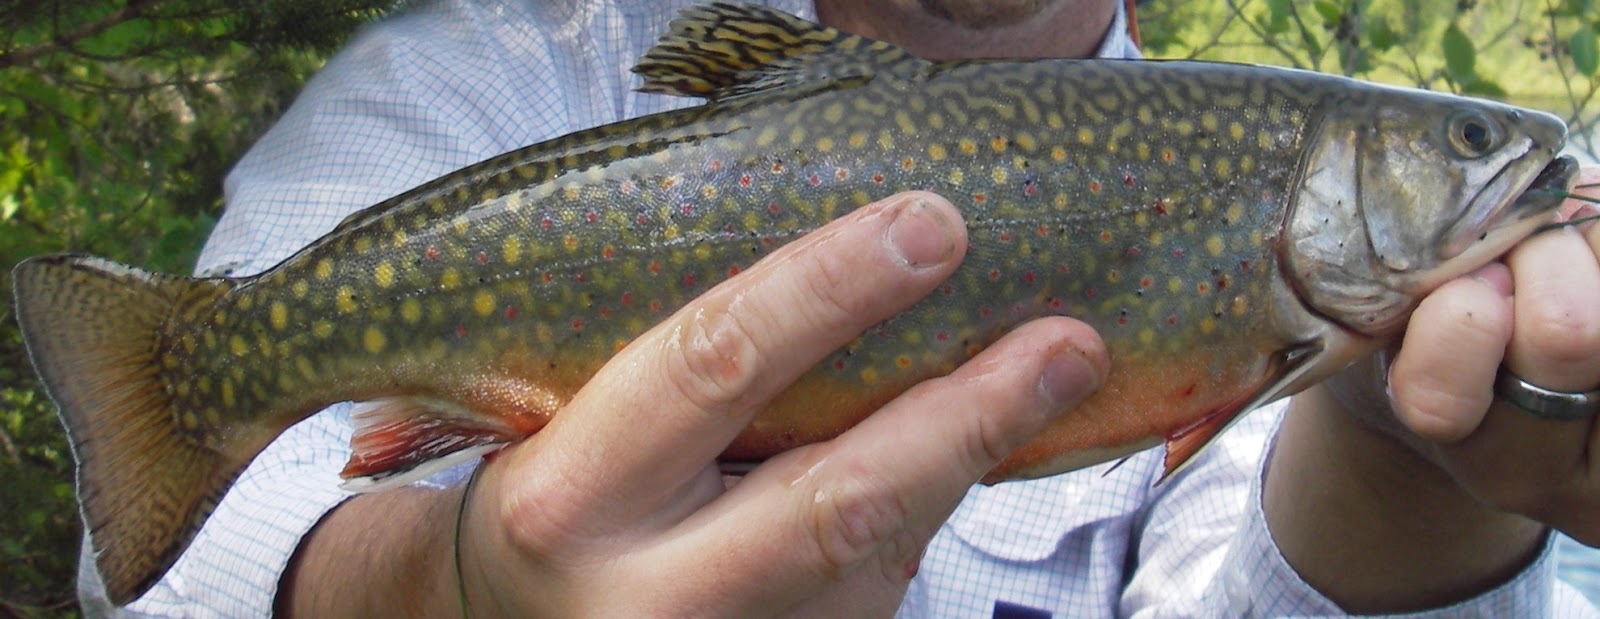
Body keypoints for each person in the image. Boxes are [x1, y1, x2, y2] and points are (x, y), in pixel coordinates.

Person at [76, 0, 1600, 616]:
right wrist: (445, 589)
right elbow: (165, 569)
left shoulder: (1289, 276)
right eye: (1467, 144)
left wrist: (1413, 468)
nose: (1501, 163)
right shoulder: (488, 68)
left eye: (1467, 143)